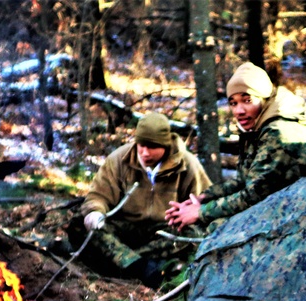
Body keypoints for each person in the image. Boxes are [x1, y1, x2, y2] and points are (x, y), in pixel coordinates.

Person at [165, 62, 306, 233]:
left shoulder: (279, 133)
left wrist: (201, 212)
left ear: (264, 99)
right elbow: (244, 180)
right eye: (233, 103)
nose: (239, 110)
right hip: (297, 203)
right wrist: (204, 198)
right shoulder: (262, 128)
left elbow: (254, 195)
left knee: (219, 228)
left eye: (247, 100)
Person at [68, 112, 212, 287]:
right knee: (79, 223)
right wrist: (95, 212)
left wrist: (192, 213)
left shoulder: (187, 164)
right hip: (124, 228)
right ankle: (139, 266)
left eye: (152, 146)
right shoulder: (119, 159)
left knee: (192, 235)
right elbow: (99, 195)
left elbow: (205, 202)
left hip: (163, 231)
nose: (144, 152)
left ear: (165, 145)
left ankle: (122, 263)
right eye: (141, 145)